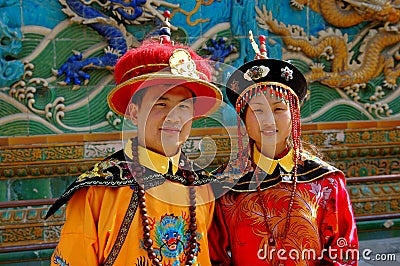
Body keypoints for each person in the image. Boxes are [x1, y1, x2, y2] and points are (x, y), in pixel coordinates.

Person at [45, 23, 223, 265]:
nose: (174, 117)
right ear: (134, 112)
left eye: (184, 106)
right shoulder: (98, 190)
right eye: (161, 104)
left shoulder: (202, 188)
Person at [208, 32, 358, 265]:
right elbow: (215, 256)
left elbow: (342, 252)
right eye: (258, 111)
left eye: (278, 109)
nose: (268, 120)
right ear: (244, 120)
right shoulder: (225, 186)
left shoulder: (325, 182)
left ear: (294, 116)